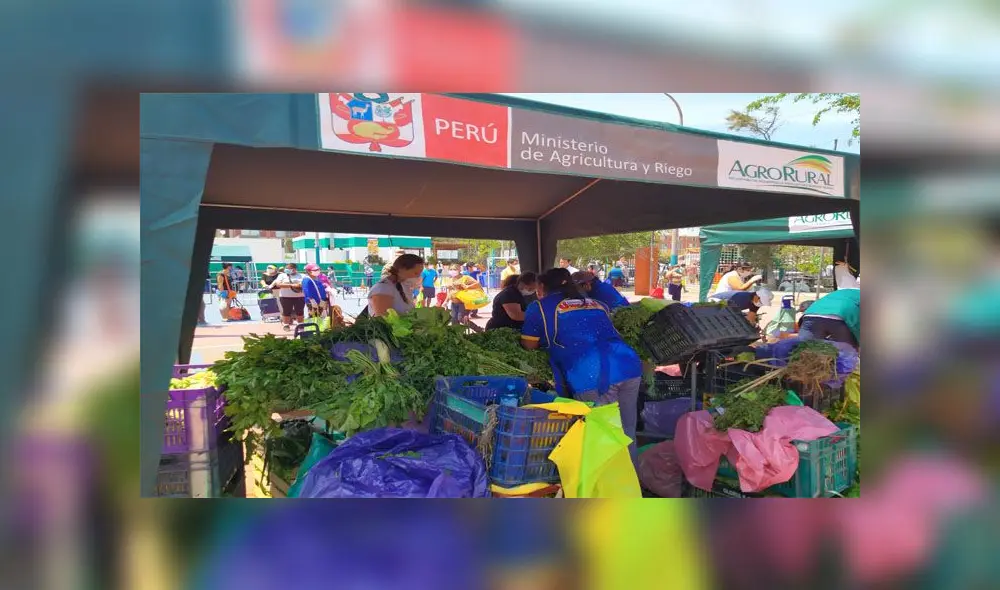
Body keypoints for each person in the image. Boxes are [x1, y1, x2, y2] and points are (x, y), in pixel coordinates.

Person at [521, 268, 643, 465]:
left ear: (542, 287)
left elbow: (529, 344)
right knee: (627, 431)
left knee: (600, 433)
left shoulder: (540, 307)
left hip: (592, 374)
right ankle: (630, 486)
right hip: (628, 365)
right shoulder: (596, 303)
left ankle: (605, 489)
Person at [797, 261, 860, 349]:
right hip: (839, 318)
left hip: (810, 315)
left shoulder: (840, 292)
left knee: (805, 351)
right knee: (845, 353)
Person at [274, 263, 306, 331]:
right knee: (286, 311)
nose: (287, 270)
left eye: (289, 269)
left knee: (300, 311)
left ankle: (300, 325)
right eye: (286, 268)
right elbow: (278, 284)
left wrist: (299, 285)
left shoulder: (302, 276)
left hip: (299, 296)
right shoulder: (281, 275)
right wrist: (292, 285)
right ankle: (286, 325)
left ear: (295, 269)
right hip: (285, 296)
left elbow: (305, 284)